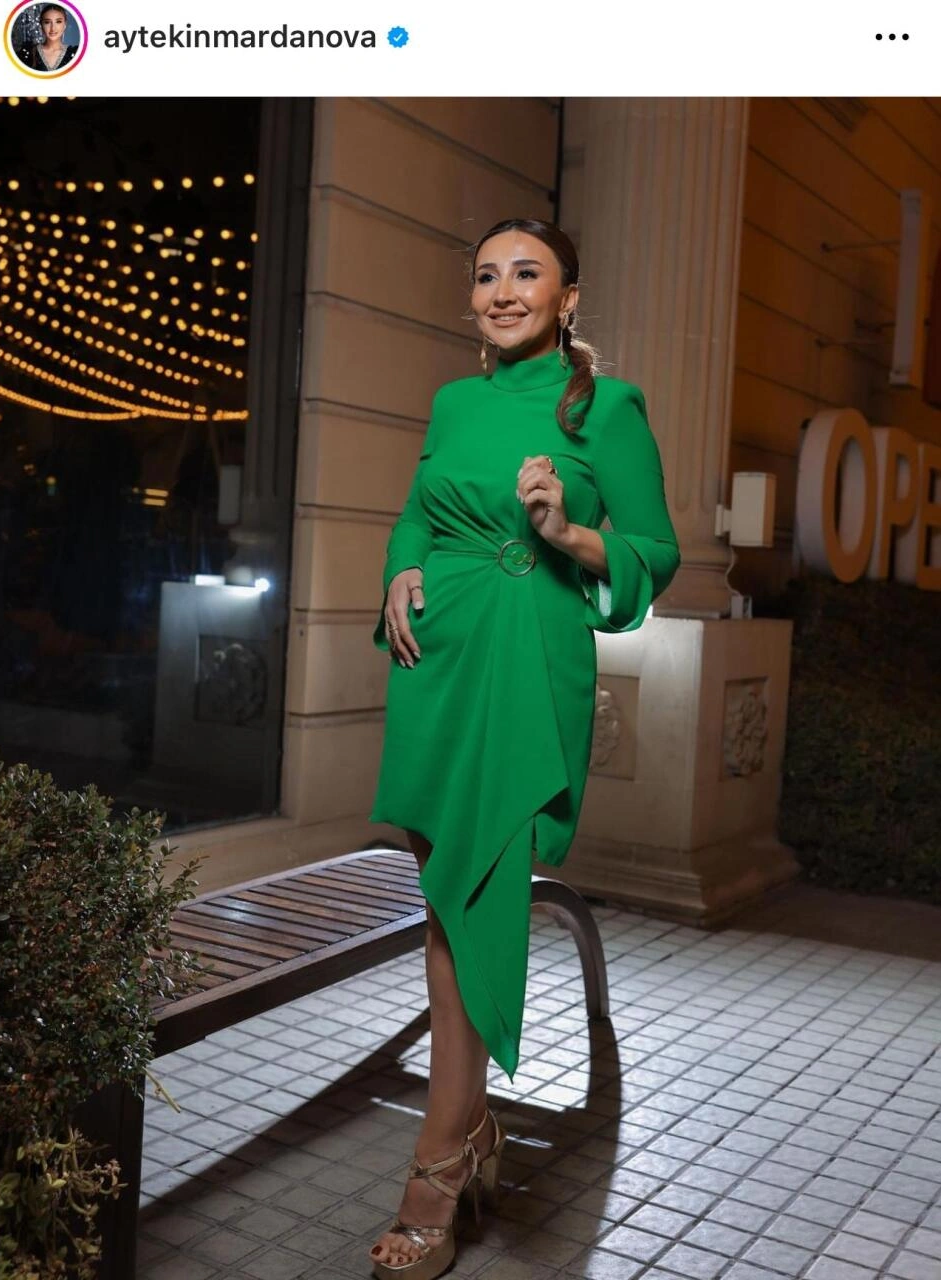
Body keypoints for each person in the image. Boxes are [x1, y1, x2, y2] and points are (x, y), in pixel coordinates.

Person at [367, 217, 680, 1278]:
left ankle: (436, 1170)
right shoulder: (454, 402)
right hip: (436, 655)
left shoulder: (607, 406)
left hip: (527, 656)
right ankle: (471, 1132)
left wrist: (565, 533)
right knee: (442, 901)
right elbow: (414, 512)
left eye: (526, 274)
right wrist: (400, 569)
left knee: (477, 895)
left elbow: (655, 550)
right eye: (486, 276)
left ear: (566, 297)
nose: (502, 292)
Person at [17, 4, 78, 73]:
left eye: (58, 22)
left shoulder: (75, 53)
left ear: (64, 25)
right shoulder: (30, 53)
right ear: (41, 25)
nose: (53, 28)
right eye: (47, 22)